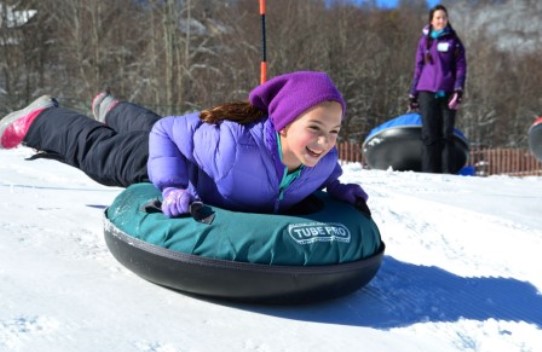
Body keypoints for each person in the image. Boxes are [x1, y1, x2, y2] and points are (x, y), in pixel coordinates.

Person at [0, 71, 371, 217]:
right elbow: (165, 132)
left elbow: (328, 172)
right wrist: (173, 185)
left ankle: (111, 107)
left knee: (143, 127)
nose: (325, 141)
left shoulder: (322, 160)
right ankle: (41, 117)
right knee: (103, 154)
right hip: (170, 162)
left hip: (185, 141)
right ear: (284, 124)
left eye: (335, 131)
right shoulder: (233, 146)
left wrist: (340, 189)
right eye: (315, 127)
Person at [408, 4, 467, 174]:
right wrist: (413, 93)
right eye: (438, 18)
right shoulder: (424, 41)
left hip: (448, 93)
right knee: (428, 135)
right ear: (431, 21)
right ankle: (429, 173)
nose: (441, 20)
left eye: (444, 17)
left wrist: (458, 90)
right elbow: (418, 68)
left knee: (446, 134)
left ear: (447, 20)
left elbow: (461, 68)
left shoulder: (454, 41)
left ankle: (447, 173)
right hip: (426, 91)